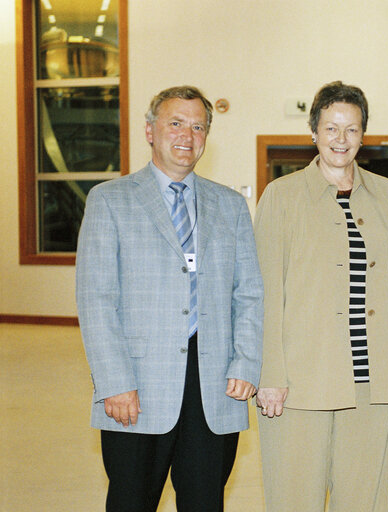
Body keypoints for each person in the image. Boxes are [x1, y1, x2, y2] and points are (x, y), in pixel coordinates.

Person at [76, 85, 263, 512]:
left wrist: (246, 362)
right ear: (149, 131)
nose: (187, 135)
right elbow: (96, 299)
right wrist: (115, 382)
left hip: (215, 386)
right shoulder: (109, 200)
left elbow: (249, 293)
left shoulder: (230, 205)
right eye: (176, 123)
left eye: (198, 126)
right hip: (136, 386)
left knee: (204, 502)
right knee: (131, 501)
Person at [253, 80, 388, 512]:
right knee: (295, 499)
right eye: (331, 128)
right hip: (300, 383)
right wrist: (270, 375)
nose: (340, 140)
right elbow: (266, 292)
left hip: (374, 379)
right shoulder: (282, 197)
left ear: (363, 134)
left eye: (351, 129)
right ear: (313, 131)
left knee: (365, 498)